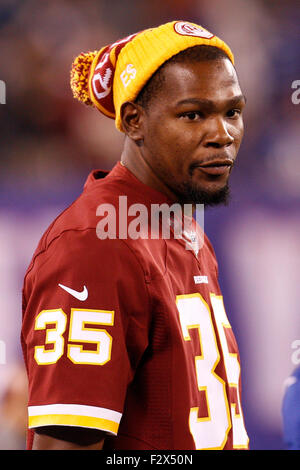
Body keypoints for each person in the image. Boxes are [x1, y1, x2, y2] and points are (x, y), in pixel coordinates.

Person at [21, 20, 249, 450]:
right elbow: (64, 445)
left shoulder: (182, 225)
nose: (222, 135)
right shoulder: (94, 244)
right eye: (193, 114)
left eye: (231, 111)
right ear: (134, 120)